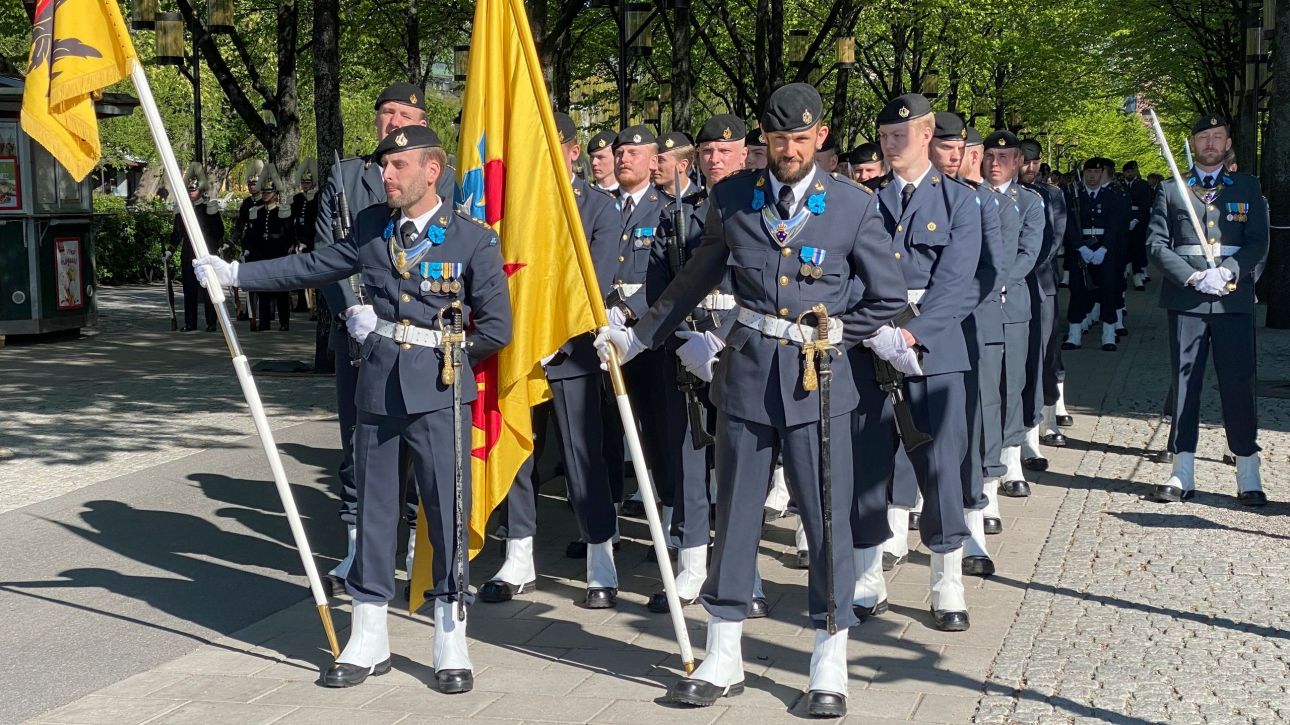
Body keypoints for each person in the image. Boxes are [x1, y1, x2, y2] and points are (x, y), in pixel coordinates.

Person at [596, 83, 907, 717]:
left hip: (819, 382)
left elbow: (890, 293)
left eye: (799, 138)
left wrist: (841, 327)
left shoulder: (851, 205)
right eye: (776, 139)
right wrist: (639, 338)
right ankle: (724, 651)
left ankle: (828, 657)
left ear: (819, 137)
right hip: (745, 375)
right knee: (734, 513)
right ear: (762, 141)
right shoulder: (734, 197)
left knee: (823, 518)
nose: (788, 149)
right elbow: (696, 276)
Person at [194, 124, 511, 692]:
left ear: (431, 170)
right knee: (374, 512)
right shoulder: (370, 227)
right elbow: (315, 266)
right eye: (383, 165)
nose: (385, 175)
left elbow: (497, 329)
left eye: (398, 166)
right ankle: (368, 633)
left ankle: (449, 633)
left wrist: (440, 349)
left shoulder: (472, 240)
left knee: (444, 512)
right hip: (378, 389)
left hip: (440, 391)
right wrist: (237, 274)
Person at [314, 83, 458, 596]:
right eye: (386, 112)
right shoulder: (348, 175)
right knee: (358, 444)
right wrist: (350, 309)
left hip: (419, 346)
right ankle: (359, 548)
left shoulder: (445, 177)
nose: (392, 120)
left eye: (404, 113)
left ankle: (423, 549)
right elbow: (326, 253)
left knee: (426, 452)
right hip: (355, 337)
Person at [850, 96, 983, 633]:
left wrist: (911, 331)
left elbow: (958, 282)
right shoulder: (862, 201)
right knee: (868, 464)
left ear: (926, 135)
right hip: (869, 344)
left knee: (940, 467)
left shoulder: (959, 202)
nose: (889, 143)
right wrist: (874, 329)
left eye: (900, 134)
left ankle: (945, 577)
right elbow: (848, 269)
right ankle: (867, 572)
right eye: (884, 135)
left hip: (935, 349)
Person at [483, 112, 622, 607]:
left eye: (552, 145)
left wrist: (554, 332)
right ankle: (519, 553)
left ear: (572, 150)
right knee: (519, 453)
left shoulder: (599, 209)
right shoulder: (511, 208)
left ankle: (600, 556)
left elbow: (595, 284)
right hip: (517, 349)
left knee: (583, 456)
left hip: (571, 350)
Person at [1146, 113, 1267, 507]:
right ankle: (1182, 471)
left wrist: (1229, 271)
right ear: (1193, 143)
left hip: (1233, 299)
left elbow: (1257, 244)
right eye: (1204, 137)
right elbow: (1157, 246)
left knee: (1238, 385)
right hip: (1188, 301)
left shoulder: (1248, 187)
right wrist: (1195, 278)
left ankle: (1248, 473)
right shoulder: (1171, 189)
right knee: (1186, 386)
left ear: (1228, 142)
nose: (1211, 143)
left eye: (1218, 136)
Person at [928, 114, 1006, 569]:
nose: (955, 156)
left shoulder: (976, 201)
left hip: (961, 328)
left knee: (965, 431)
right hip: (903, 326)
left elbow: (989, 269)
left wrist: (943, 314)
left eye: (960, 148)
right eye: (945, 147)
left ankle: (970, 525)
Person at [983, 131, 1044, 500]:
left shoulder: (1030, 203)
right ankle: (984, 458)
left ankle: (1010, 455)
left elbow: (1028, 253)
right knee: (984, 385)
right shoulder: (966, 196)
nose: (994, 163)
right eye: (989, 155)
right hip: (973, 305)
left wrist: (994, 283)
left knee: (1011, 382)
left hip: (1010, 303)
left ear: (1019, 162)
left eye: (1004, 157)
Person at [1017, 139, 1073, 469]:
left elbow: (1053, 241)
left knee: (1044, 356)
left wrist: (1024, 267)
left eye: (1035, 161)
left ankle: (1044, 423)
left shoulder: (1051, 195)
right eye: (1024, 160)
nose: (1030, 167)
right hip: (1010, 289)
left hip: (1041, 283)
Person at [1062, 158, 1131, 352]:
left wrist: (1104, 248)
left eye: (1096, 172)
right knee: (1077, 291)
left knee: (1108, 290)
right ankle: (1074, 334)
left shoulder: (1112, 196)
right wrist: (1080, 247)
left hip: (1104, 250)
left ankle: (1108, 333)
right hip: (1080, 249)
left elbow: (1115, 225)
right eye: (1089, 172)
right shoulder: (1075, 195)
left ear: (1103, 174)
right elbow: (1069, 224)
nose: (1092, 176)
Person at [170, 162, 225, 332]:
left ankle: (211, 322)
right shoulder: (183, 211)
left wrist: (213, 214)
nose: (191, 192)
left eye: (193, 190)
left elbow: (218, 233)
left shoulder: (209, 208)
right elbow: (177, 234)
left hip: (206, 253)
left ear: (200, 190)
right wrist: (170, 250)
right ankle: (190, 322)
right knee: (189, 290)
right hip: (188, 254)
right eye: (189, 190)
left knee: (209, 289)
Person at [244, 165, 296, 331]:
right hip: (261, 255)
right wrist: (247, 249)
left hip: (277, 255)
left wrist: (289, 250)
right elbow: (251, 235)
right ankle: (264, 321)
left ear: (275, 194)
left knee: (280, 290)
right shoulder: (257, 212)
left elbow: (288, 234)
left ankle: (284, 321)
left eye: (269, 192)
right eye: (264, 192)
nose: (266, 195)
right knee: (263, 290)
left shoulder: (282, 212)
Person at [1122, 161, 1153, 290]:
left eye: (1131, 171)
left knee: (1137, 248)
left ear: (1135, 172)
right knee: (1124, 248)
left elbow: (1145, 205)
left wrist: (1136, 220)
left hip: (1138, 221)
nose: (1129, 173)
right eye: (1127, 171)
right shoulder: (1120, 185)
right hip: (1123, 220)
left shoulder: (1143, 185)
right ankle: (1125, 273)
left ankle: (1138, 274)